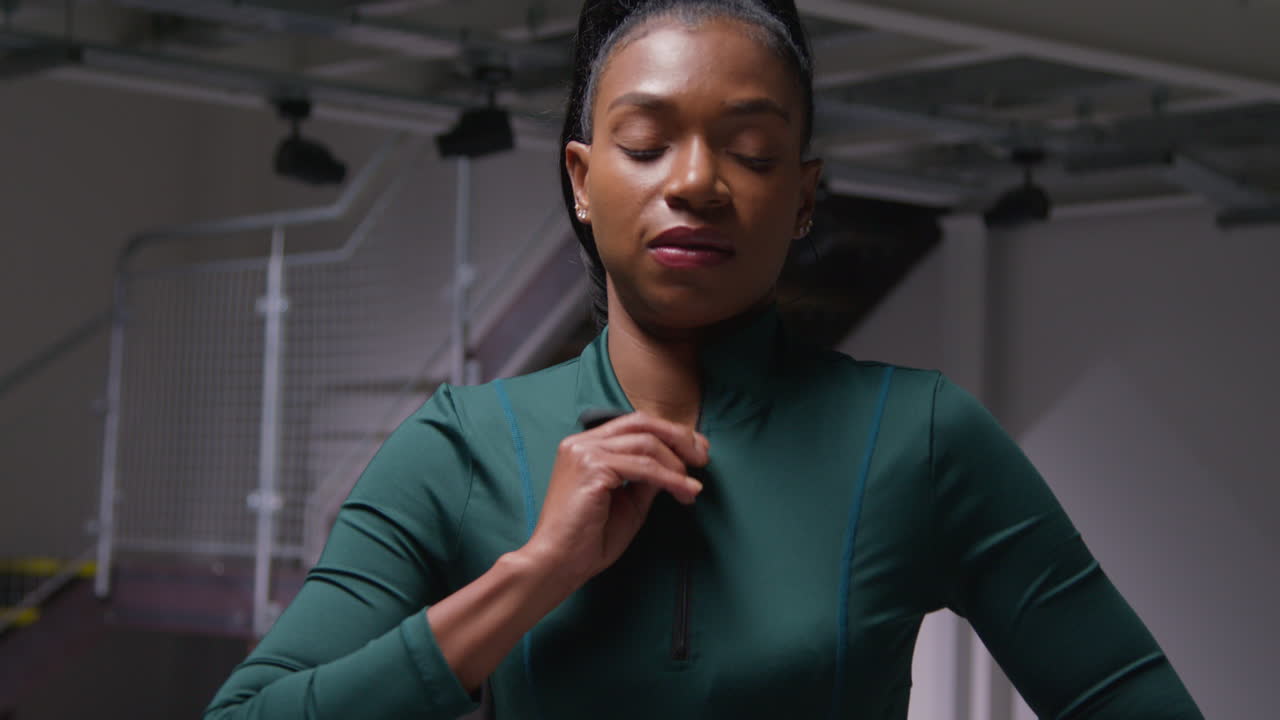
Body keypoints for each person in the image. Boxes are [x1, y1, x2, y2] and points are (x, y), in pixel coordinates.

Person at [205, 0, 1203, 717]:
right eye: (644, 143)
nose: (696, 183)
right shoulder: (458, 447)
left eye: (751, 153)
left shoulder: (920, 438)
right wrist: (535, 574)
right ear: (581, 180)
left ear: (804, 195)